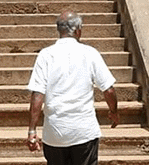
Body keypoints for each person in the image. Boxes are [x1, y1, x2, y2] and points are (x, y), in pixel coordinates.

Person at [27, 12, 119, 165]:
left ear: (59, 30)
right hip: (83, 131)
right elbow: (109, 90)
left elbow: (37, 95)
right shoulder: (90, 53)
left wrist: (32, 131)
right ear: (78, 31)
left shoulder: (45, 55)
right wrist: (114, 112)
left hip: (55, 133)